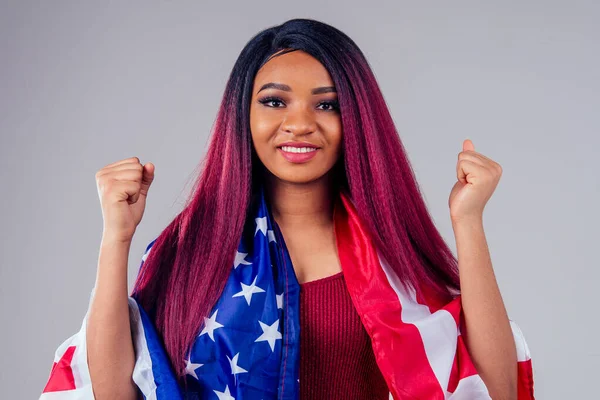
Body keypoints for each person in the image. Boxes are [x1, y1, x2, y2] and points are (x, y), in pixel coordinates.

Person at [40, 18, 535, 400]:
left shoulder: (391, 254)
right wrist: (116, 239)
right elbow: (114, 391)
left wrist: (468, 222)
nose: (299, 124)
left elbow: (496, 389)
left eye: (326, 105)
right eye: (275, 102)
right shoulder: (193, 248)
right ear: (244, 114)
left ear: (355, 119)